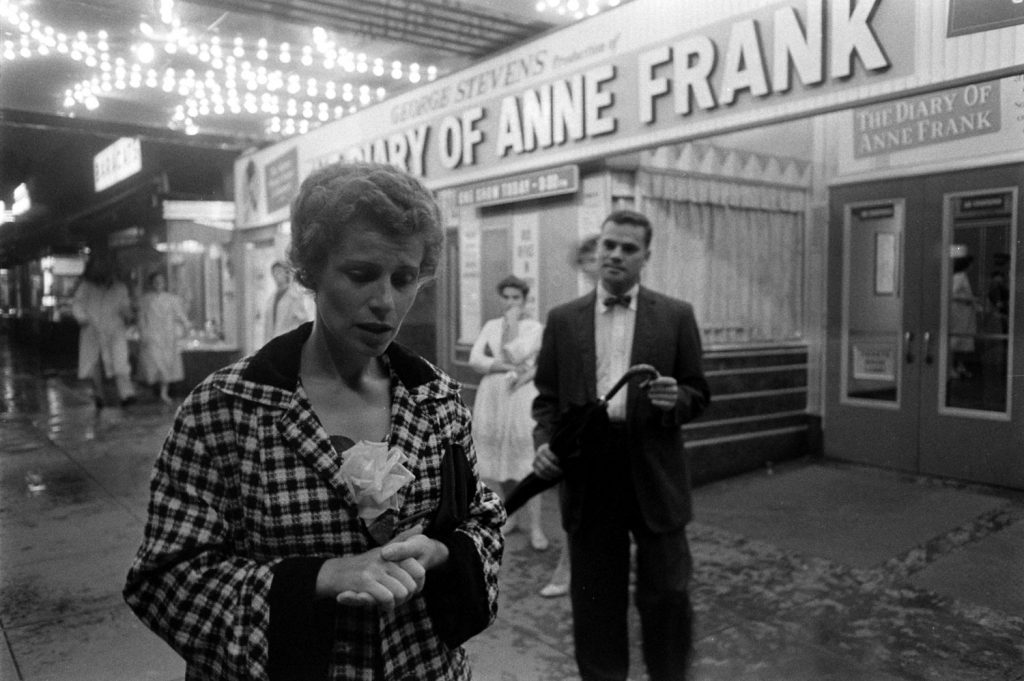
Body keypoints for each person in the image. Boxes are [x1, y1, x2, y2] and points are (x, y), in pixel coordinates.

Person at [124, 161, 505, 681]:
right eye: (360, 274)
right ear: (311, 271)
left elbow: (481, 520)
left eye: (404, 278)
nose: (385, 302)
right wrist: (320, 577)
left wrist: (444, 551)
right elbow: (166, 579)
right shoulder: (227, 410)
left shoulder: (437, 401)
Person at [531, 209, 711, 681]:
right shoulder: (564, 320)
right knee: (594, 597)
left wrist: (676, 400)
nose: (614, 254)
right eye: (608, 244)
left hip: (655, 470)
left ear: (645, 257)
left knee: (668, 595)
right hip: (590, 473)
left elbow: (699, 392)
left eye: (628, 248)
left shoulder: (675, 316)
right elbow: (546, 399)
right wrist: (546, 443)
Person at [540, 234, 600, 598]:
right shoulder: (569, 316)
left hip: (622, 426)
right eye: (588, 259)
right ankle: (567, 567)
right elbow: (552, 382)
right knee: (574, 505)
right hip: (580, 426)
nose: (597, 264)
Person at [469, 275, 547, 551]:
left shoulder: (534, 327)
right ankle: (509, 514)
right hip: (493, 394)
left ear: (525, 301)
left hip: (520, 397)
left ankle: (536, 526)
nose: (511, 303)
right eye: (507, 297)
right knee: (492, 457)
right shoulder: (491, 325)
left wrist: (513, 325)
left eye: (517, 298)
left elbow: (517, 354)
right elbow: (476, 360)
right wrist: (504, 367)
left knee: (525, 459)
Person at [71, 252, 136, 408]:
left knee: (120, 362)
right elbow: (77, 305)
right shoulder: (86, 287)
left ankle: (126, 394)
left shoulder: (120, 288)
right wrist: (83, 319)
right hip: (92, 330)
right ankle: (98, 395)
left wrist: (129, 315)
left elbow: (124, 306)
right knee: (94, 365)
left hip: (115, 330)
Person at [136, 271, 191, 404]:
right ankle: (154, 387)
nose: (158, 284)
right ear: (152, 283)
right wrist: (143, 333)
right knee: (154, 362)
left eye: (161, 281)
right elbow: (141, 318)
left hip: (168, 336)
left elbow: (180, 314)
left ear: (164, 283)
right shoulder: (145, 299)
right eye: (156, 282)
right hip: (152, 334)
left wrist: (186, 326)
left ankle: (163, 392)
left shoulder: (172, 299)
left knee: (166, 363)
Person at [950, 254, 981, 380]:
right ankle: (952, 367)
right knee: (957, 340)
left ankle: (959, 366)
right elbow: (952, 294)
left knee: (962, 341)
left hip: (963, 314)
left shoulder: (961, 276)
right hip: (959, 314)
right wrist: (969, 299)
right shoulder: (960, 277)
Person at [264, 259, 312, 342]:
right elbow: (268, 326)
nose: (276, 275)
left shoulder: (294, 296)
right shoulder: (271, 299)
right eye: (274, 272)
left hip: (289, 341)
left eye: (279, 271)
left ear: (286, 273)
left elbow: (303, 321)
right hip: (272, 342)